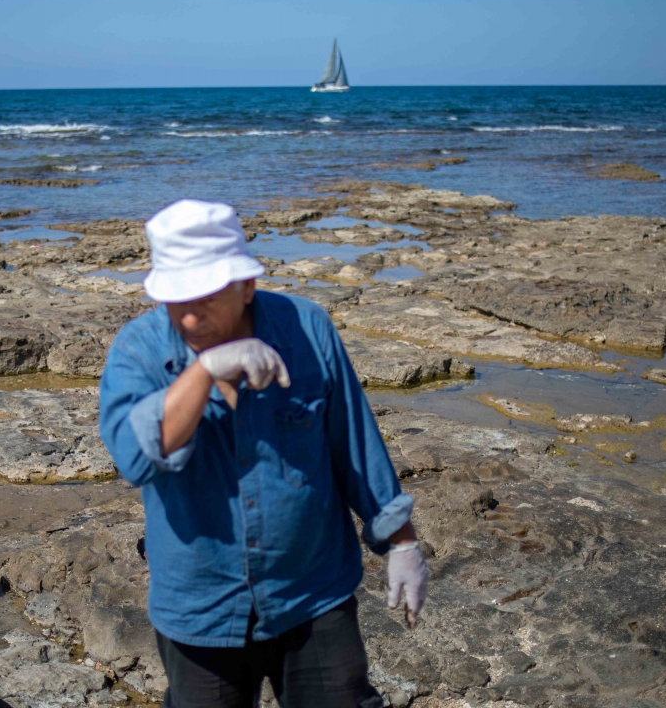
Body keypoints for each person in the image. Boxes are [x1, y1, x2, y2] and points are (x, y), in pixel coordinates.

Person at [99, 200, 430, 708]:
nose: (188, 315)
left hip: (313, 590)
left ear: (247, 285)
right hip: (201, 604)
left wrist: (402, 542)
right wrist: (205, 370)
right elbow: (138, 457)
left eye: (205, 298)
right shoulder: (139, 350)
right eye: (176, 299)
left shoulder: (307, 328)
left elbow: (354, 443)